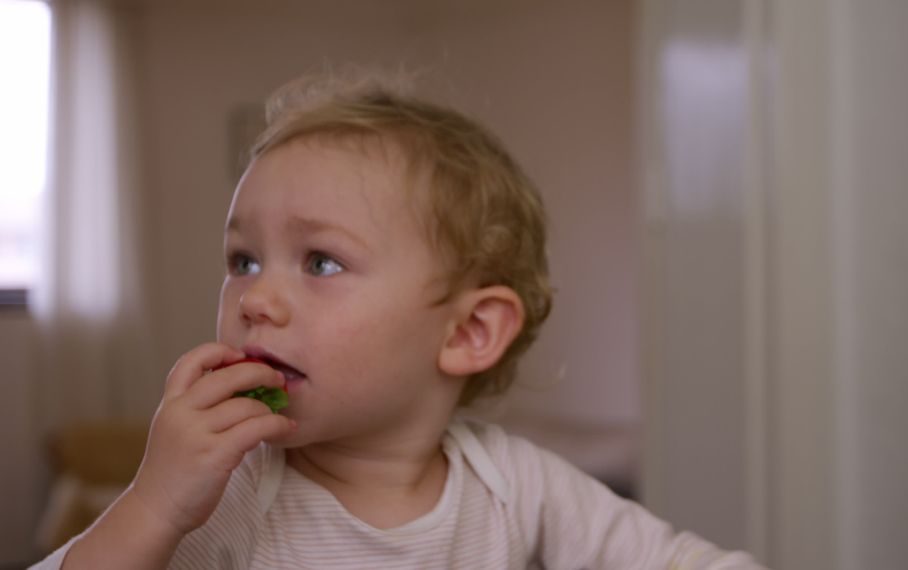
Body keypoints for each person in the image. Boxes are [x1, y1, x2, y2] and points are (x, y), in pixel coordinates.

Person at [33, 75, 764, 569]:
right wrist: (154, 502)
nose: (255, 300)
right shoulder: (233, 490)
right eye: (243, 260)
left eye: (320, 262)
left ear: (468, 333)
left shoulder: (512, 483)